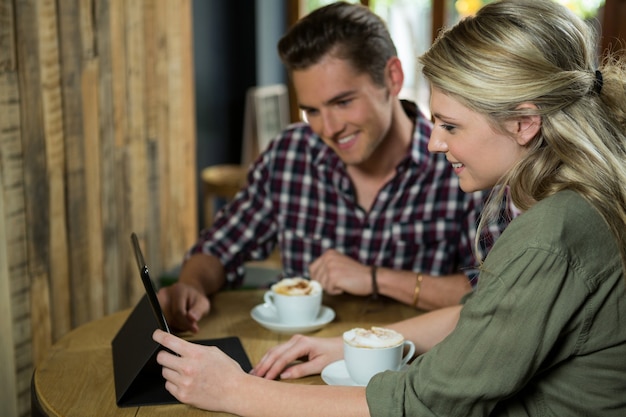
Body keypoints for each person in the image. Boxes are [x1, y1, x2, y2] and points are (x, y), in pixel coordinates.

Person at [152, 0, 626, 415]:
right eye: (311, 110)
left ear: (525, 123)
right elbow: (485, 311)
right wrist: (350, 344)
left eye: (451, 126)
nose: (437, 142)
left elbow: (427, 400)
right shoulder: (549, 200)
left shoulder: (548, 231)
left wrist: (237, 391)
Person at [158, 1, 509, 332]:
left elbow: (495, 291)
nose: (328, 128)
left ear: (392, 77)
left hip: (414, 367)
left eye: (342, 102)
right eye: (311, 110)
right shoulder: (289, 155)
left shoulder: (461, 161)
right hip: (301, 364)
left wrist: (375, 278)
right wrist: (190, 286)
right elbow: (219, 248)